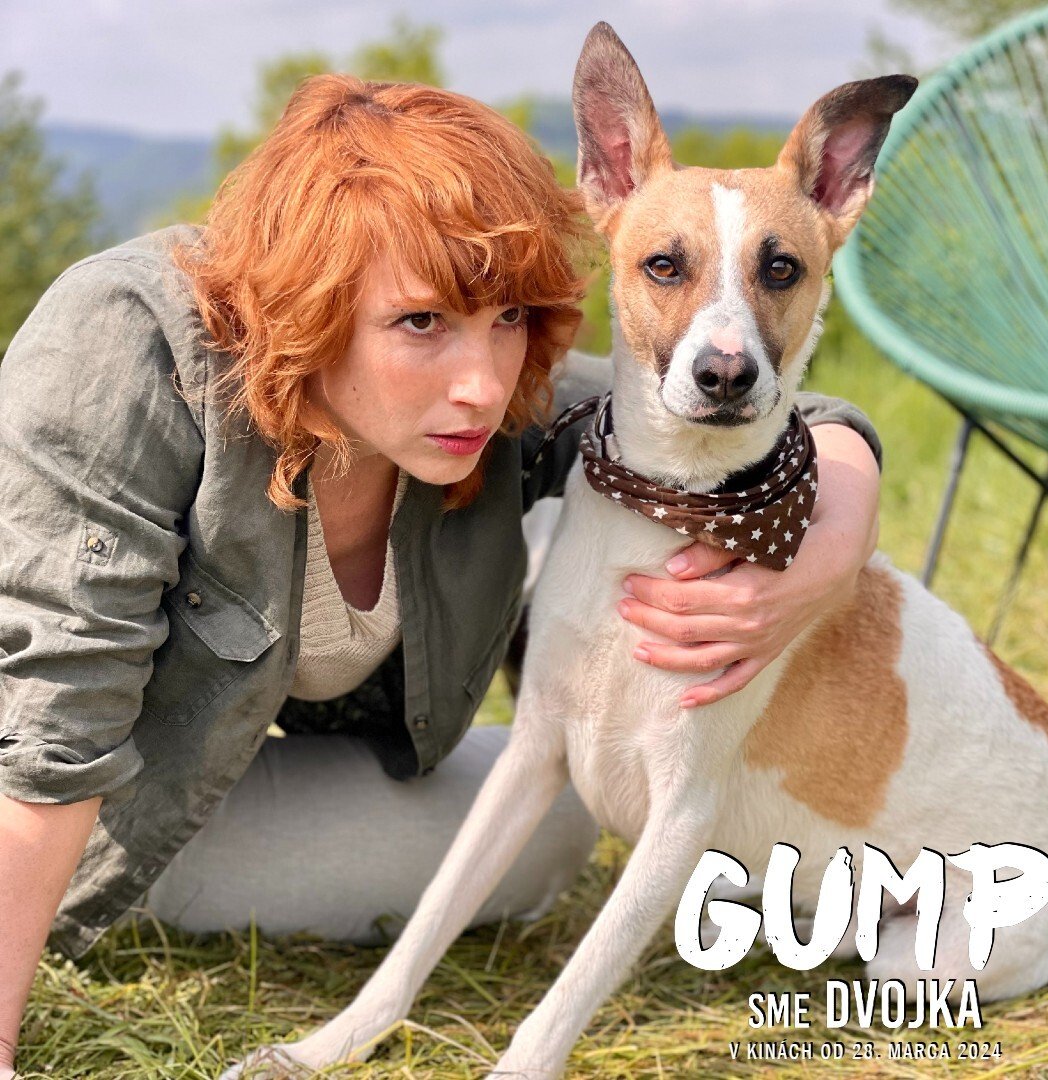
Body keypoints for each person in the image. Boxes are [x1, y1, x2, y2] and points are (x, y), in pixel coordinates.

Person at [0, 74, 883, 1073]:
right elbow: (54, 724)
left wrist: (836, 540)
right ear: (318, 298)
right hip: (56, 787)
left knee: (558, 821)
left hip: (223, 767)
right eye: (422, 322)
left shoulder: (500, 397)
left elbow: (771, 415)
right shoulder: (127, 347)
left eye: (507, 317)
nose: (481, 383)